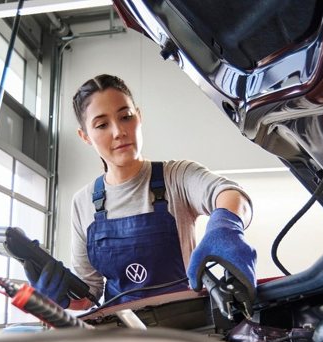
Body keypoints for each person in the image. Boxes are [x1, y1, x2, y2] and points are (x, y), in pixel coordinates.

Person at [30, 74, 256, 310]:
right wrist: (60, 297)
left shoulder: (176, 176)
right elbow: (89, 295)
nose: (119, 131)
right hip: (125, 336)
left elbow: (231, 194)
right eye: (102, 125)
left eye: (125, 117)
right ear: (85, 136)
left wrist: (225, 226)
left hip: (190, 326)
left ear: (139, 116)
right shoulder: (83, 202)